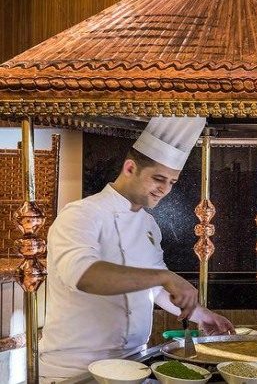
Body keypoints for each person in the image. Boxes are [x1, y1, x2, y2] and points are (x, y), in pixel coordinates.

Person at [40, 117, 234, 379]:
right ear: (130, 168)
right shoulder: (81, 214)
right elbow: (83, 275)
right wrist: (164, 276)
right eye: (158, 178)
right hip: (75, 369)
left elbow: (155, 289)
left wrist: (202, 315)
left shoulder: (148, 224)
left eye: (172, 182)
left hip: (133, 364)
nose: (164, 189)